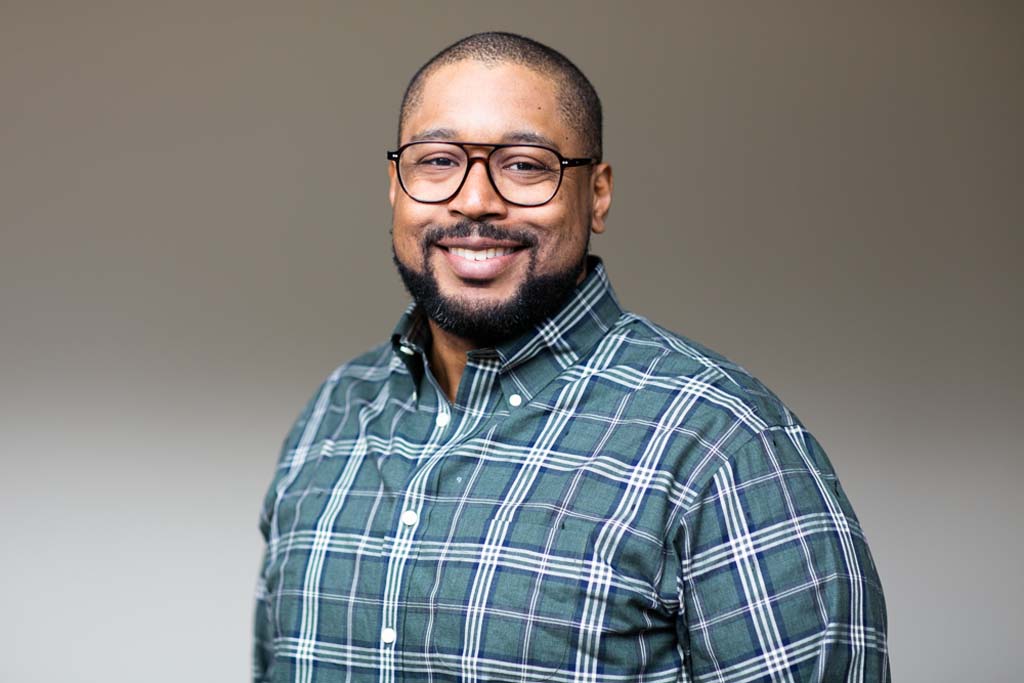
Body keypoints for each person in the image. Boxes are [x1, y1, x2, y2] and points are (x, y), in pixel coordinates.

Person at [253, 31, 890, 683]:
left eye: (526, 165)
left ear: (598, 194)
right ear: (396, 186)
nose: (475, 200)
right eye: (438, 160)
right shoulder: (331, 417)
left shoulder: (723, 445)